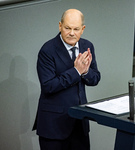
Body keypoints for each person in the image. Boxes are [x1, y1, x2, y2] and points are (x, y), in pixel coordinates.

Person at [32, 9, 101, 150]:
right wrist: (76, 71)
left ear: (83, 29)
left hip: (79, 123)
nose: (71, 33)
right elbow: (48, 86)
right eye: (67, 28)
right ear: (60, 26)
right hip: (54, 126)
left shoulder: (87, 46)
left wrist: (86, 71)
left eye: (76, 29)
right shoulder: (48, 50)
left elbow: (95, 78)